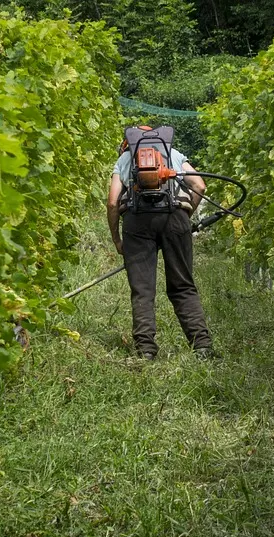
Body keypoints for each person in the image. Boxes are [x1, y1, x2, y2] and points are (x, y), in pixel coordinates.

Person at [106, 126, 217, 361]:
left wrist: (117, 239)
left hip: (136, 222)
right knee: (182, 286)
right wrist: (185, 217)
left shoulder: (125, 160)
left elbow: (113, 202)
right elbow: (200, 186)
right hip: (174, 217)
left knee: (143, 290)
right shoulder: (173, 154)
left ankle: (145, 350)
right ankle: (202, 346)